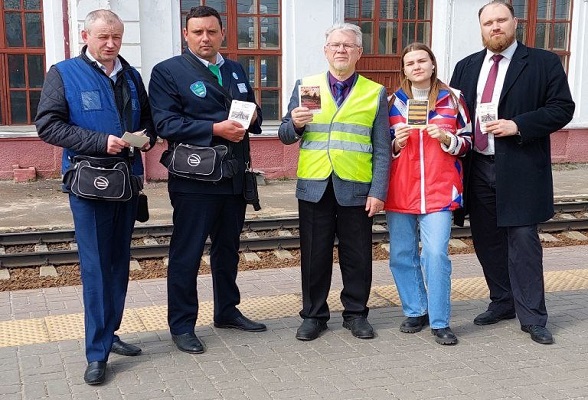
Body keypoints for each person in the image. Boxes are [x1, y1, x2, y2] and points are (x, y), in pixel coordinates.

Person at [35, 10, 156, 385]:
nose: (110, 44)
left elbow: (148, 120)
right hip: (88, 184)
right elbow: (48, 125)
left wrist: (145, 137)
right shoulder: (63, 72)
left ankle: (111, 332)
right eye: (103, 36)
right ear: (85, 35)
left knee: (119, 263)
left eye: (116, 37)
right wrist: (101, 141)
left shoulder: (131, 75)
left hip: (126, 182)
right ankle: (97, 352)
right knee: (96, 267)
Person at [450, 0, 575, 344]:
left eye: (501, 20)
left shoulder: (543, 62)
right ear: (481, 28)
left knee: (523, 241)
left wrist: (518, 125)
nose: (495, 27)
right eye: (488, 22)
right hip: (477, 166)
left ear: (514, 22)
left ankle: (533, 317)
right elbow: (454, 114)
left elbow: (562, 109)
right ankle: (502, 301)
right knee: (487, 240)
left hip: (520, 167)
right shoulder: (466, 67)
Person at [148, 5, 265, 355]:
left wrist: (254, 115)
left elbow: (250, 114)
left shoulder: (235, 69)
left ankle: (227, 311)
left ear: (222, 34)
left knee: (228, 250)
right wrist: (214, 128)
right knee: (187, 253)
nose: (205, 38)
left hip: (232, 175)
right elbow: (165, 124)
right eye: (197, 32)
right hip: (194, 178)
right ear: (186, 35)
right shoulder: (167, 72)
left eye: (211, 32)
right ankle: (182, 324)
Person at [278, 23, 390, 341]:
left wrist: (378, 190)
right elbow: (286, 135)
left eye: (347, 45)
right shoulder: (308, 86)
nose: (340, 50)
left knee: (358, 255)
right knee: (314, 255)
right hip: (314, 184)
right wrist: (295, 125)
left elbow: (383, 148)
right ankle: (314, 316)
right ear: (325, 50)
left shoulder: (373, 92)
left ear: (359, 53)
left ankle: (356, 314)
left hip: (356, 185)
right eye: (334, 45)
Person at [385, 43, 471, 346]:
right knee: (401, 255)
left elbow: (468, 142)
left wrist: (448, 139)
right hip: (401, 190)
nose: (417, 66)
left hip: (439, 190)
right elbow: (383, 148)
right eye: (410, 63)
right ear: (404, 70)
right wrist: (396, 142)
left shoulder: (454, 99)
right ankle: (415, 309)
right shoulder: (392, 102)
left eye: (422, 60)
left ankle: (439, 320)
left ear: (433, 64)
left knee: (435, 254)